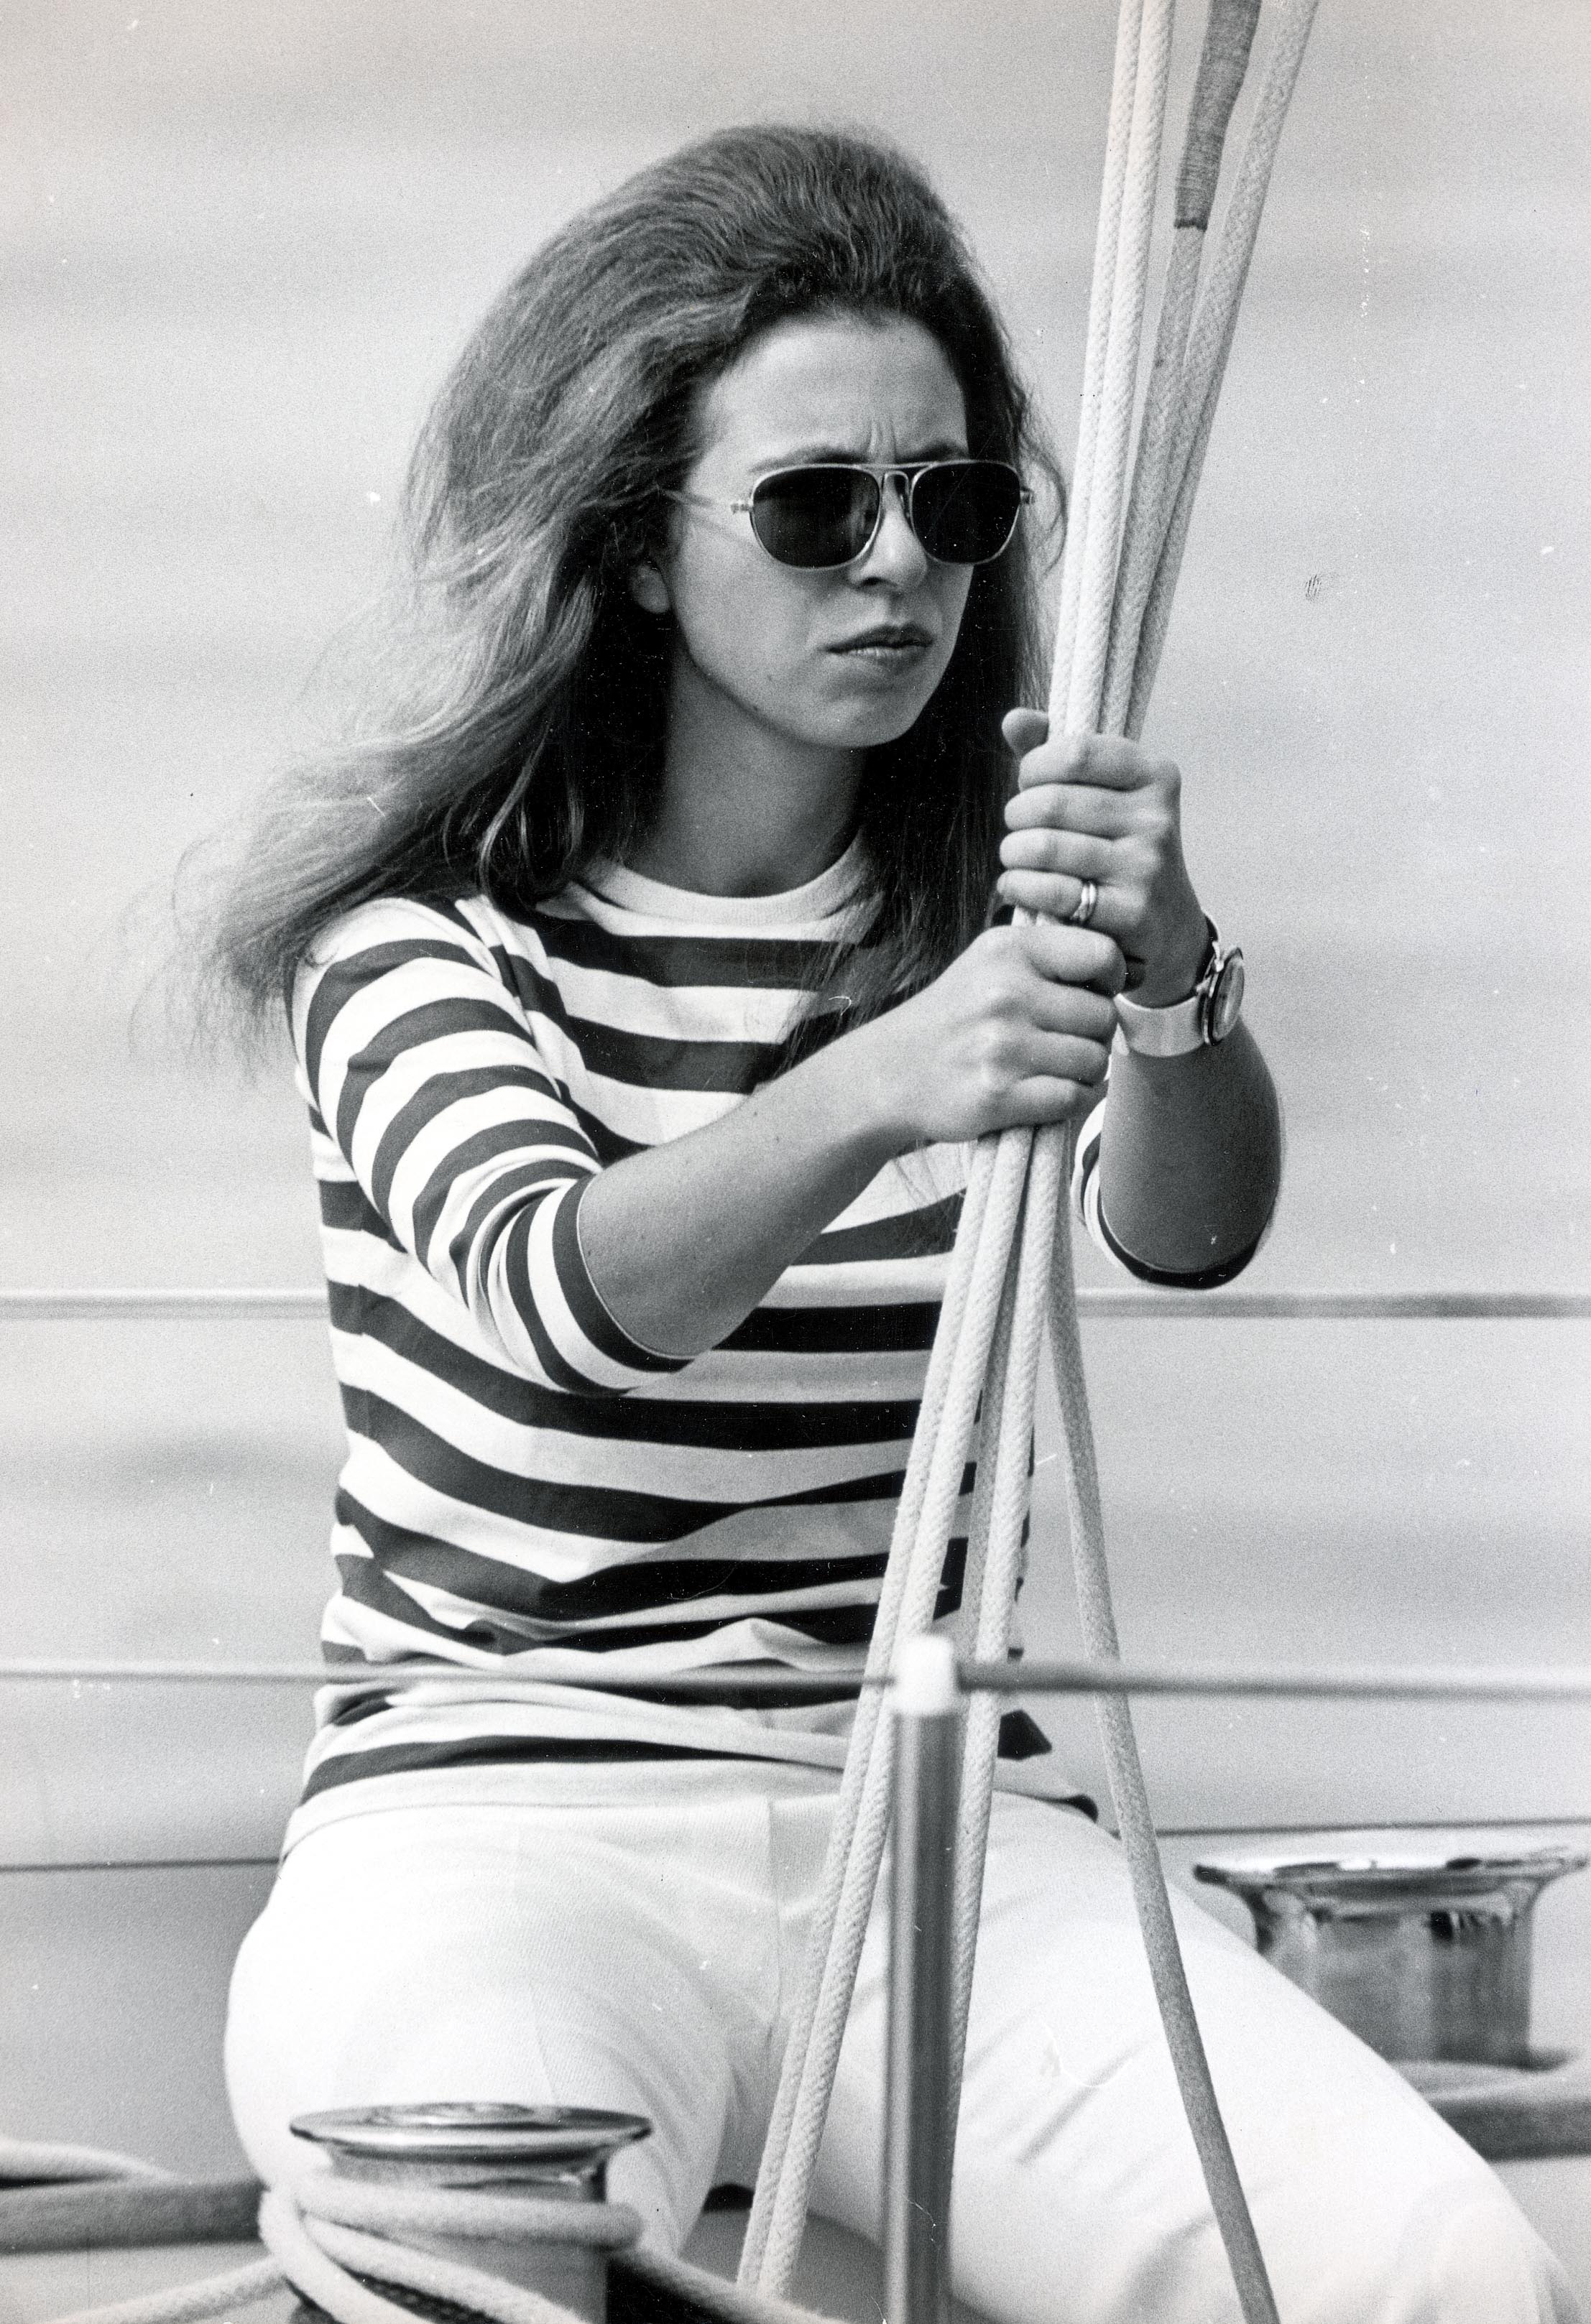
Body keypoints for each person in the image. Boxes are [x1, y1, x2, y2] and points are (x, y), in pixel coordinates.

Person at [216, 126, 1576, 2324]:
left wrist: (1168, 969)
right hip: (496, 1832)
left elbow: (1189, 1229)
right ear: (638, 552)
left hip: (943, 1827)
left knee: (1441, 2280)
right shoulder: (431, 954)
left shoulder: (982, 931)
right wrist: (892, 1070)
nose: (899, 568)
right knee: (478, 2268)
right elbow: (573, 1297)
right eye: (812, 506)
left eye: (951, 504)